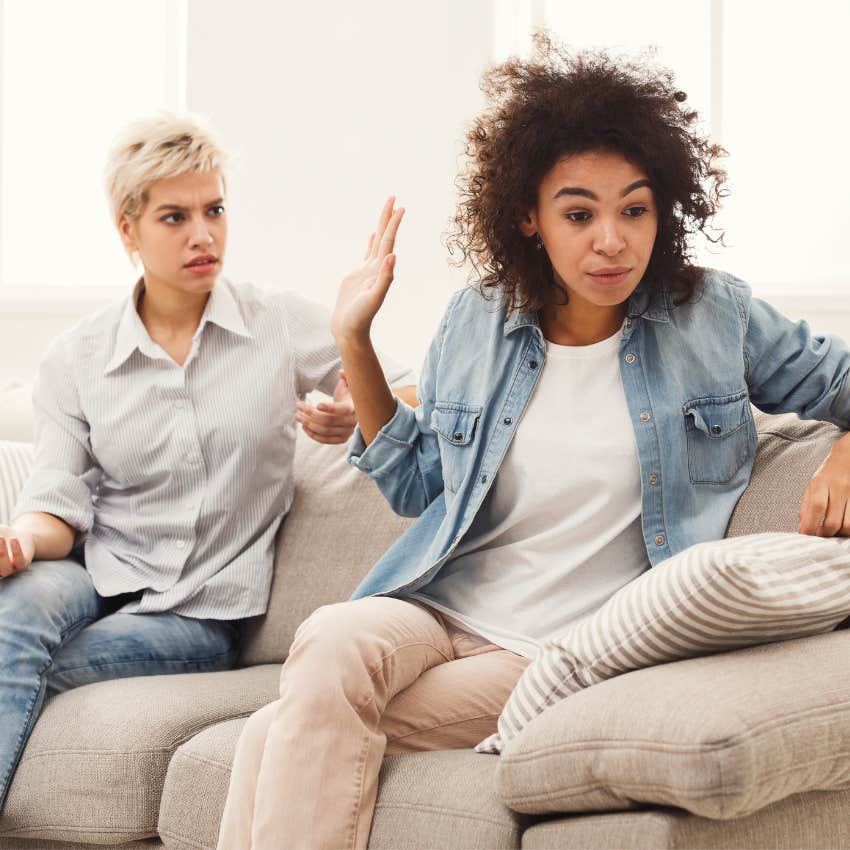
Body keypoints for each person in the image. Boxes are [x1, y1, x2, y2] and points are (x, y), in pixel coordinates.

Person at [216, 39, 850, 850]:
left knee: (276, 731)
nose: (612, 241)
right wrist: (355, 341)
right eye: (579, 213)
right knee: (331, 637)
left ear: (666, 208)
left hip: (551, 646)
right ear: (530, 216)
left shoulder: (713, 316)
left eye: (635, 209)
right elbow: (416, 486)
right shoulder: (479, 319)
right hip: (440, 602)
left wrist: (841, 451)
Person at [0, 113, 416, 812]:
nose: (203, 233)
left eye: (214, 209)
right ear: (127, 229)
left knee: (12, 660)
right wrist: (19, 542)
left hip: (200, 609)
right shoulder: (75, 358)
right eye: (174, 216)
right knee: (18, 613)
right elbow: (57, 506)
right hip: (95, 573)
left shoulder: (274, 323)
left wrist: (353, 408)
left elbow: (409, 384)